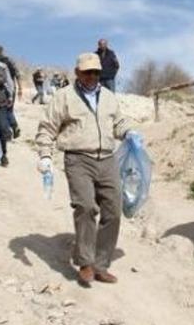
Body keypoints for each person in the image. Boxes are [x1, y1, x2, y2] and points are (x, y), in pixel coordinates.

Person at [36, 53, 137, 287]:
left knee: (113, 211)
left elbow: (118, 122)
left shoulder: (110, 97)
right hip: (78, 159)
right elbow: (48, 127)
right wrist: (45, 155)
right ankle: (85, 262)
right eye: (87, 72)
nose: (92, 76)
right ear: (77, 72)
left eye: (96, 72)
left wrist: (129, 131)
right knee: (85, 207)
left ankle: (101, 264)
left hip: (107, 159)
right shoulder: (64, 97)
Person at [0, 45, 21, 138]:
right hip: (11, 87)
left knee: (0, 110)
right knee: (9, 109)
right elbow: (17, 74)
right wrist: (20, 88)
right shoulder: (9, 60)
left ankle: (6, 131)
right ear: (2, 51)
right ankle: (14, 126)